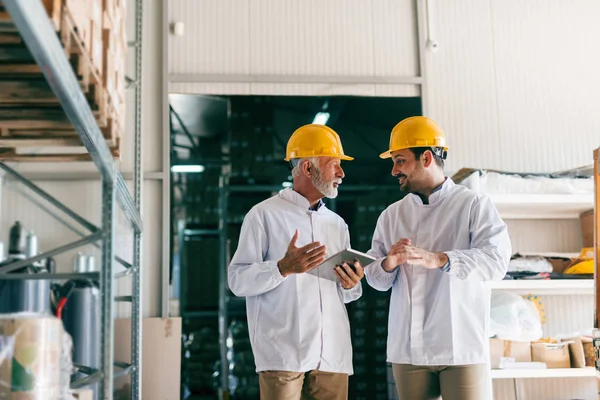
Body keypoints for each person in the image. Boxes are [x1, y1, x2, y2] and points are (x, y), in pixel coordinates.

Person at [364, 116, 511, 400]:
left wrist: (440, 259)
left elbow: (496, 262)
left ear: (427, 158)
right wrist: (387, 264)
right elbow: (376, 280)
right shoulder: (391, 215)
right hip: (408, 349)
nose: (394, 170)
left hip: (461, 345)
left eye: (400, 161)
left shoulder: (473, 205)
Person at [228, 124, 365, 400]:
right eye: (334, 165)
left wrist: (351, 284)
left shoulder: (337, 224)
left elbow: (348, 294)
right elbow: (237, 280)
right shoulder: (263, 215)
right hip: (283, 354)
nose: (341, 173)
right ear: (307, 168)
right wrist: (282, 268)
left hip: (332, 355)